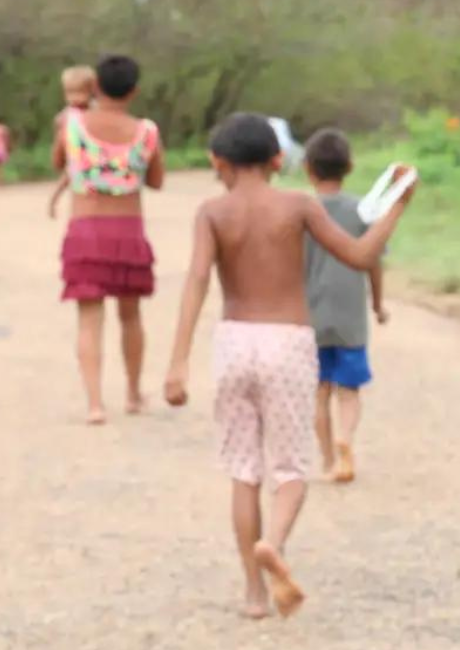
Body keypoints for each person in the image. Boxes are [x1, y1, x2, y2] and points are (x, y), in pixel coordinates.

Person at [162, 113, 413, 620]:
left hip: (234, 341)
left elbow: (195, 281)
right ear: (279, 160)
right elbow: (362, 255)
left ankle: (254, 594)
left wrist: (178, 362)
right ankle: (273, 542)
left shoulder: (211, 211)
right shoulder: (298, 205)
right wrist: (397, 204)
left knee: (242, 472)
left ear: (217, 162)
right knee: (290, 471)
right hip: (289, 343)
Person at [52, 55, 164, 425]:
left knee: (89, 319)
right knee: (131, 316)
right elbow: (157, 180)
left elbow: (58, 163)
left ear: (95, 86)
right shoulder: (146, 131)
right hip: (128, 231)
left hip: (85, 230)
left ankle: (95, 404)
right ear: (135, 91)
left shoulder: (73, 125)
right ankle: (133, 393)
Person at [302, 129, 389, 484]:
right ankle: (345, 440)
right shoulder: (360, 212)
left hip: (310, 315)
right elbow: (372, 262)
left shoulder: (301, 211)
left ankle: (326, 458)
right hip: (351, 315)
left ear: (308, 169)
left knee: (319, 390)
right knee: (348, 390)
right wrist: (378, 305)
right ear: (349, 167)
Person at [49, 66, 97, 219]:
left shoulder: (96, 111)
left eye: (80, 92)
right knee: (67, 176)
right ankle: (54, 201)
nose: (75, 98)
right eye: (70, 93)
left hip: (95, 157)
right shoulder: (65, 115)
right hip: (75, 156)